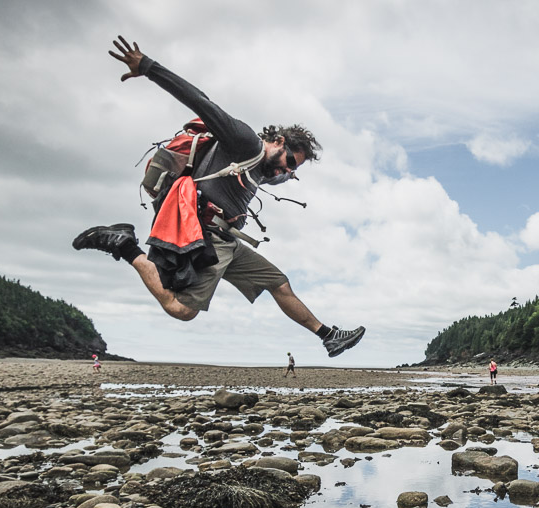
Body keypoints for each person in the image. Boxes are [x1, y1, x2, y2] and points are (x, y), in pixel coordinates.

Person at [72, 36, 365, 358]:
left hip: (228, 240)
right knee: (182, 310)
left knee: (278, 281)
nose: (286, 171)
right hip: (205, 237)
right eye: (290, 161)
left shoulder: (263, 169)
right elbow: (201, 102)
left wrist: (285, 174)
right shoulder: (244, 142)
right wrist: (148, 68)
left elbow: (274, 176)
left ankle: (328, 336)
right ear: (278, 141)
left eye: (293, 170)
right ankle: (123, 245)